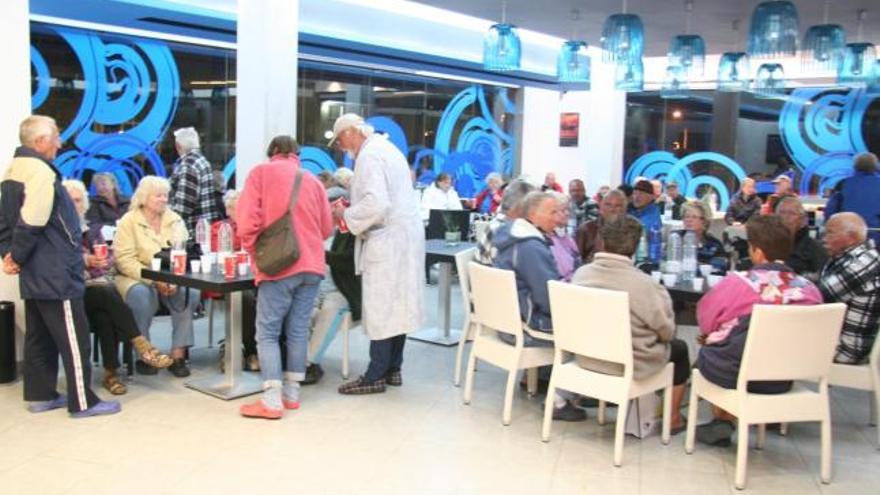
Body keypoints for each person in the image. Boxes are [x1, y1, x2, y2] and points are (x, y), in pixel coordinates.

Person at [0, 115, 119, 417]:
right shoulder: (40, 172)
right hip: (54, 271)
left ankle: (41, 396)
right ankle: (84, 402)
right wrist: (19, 255)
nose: (59, 142)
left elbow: (5, 223)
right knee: (74, 337)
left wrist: (8, 255)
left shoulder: (13, 170)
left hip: (35, 272)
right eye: (55, 137)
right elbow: (33, 221)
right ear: (40, 142)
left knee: (39, 335)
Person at [694, 215, 822, 446]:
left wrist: (712, 335)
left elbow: (706, 318)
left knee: (713, 344)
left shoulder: (740, 283)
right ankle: (726, 420)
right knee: (730, 341)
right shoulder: (811, 292)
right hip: (784, 377)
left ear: (758, 253)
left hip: (737, 373)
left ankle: (722, 419)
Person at [236, 135, 332, 418]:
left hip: (279, 266)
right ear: (296, 153)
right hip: (312, 266)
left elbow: (246, 223)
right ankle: (291, 395)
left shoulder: (261, 174)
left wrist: (256, 250)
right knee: (298, 330)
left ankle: (271, 401)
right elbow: (326, 228)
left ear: (273, 152)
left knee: (266, 332)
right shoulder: (312, 181)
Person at [329, 114, 425, 395]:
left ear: (351, 132)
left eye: (340, 139)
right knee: (399, 304)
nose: (340, 146)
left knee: (382, 306)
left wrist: (344, 215)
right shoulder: (387, 149)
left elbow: (376, 203)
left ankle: (375, 374)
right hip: (403, 237)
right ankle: (393, 368)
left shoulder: (369, 156)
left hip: (388, 239)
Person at [572, 216, 691, 434]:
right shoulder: (646, 285)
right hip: (627, 364)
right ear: (636, 247)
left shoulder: (581, 275)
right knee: (680, 348)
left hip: (585, 357)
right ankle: (672, 417)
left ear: (602, 242)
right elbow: (667, 332)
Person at [63, 179, 173, 395]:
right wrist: (85, 261)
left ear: (83, 204)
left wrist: (103, 262)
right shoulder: (58, 230)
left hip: (97, 290)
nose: (73, 204)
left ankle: (111, 374)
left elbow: (112, 259)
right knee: (108, 291)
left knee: (106, 311)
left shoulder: (91, 230)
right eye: (69, 200)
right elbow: (59, 261)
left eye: (77, 200)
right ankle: (141, 344)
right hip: (71, 292)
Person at [493, 192, 584, 421]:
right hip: (526, 326)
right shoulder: (531, 247)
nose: (558, 218)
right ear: (533, 215)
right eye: (552, 212)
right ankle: (560, 399)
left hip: (508, 321)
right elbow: (548, 298)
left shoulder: (510, 235)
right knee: (587, 330)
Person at [114, 176, 200, 377]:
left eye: (166, 195)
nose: (163, 199)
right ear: (144, 197)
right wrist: (153, 280)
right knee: (141, 296)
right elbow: (124, 260)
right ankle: (144, 354)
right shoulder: (129, 221)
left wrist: (175, 279)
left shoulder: (175, 219)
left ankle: (178, 354)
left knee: (191, 292)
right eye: (158, 196)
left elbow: (183, 252)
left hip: (170, 275)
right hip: (136, 275)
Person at [303, 185, 363, 385]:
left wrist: (321, 254)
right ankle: (300, 360)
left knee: (329, 311)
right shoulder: (319, 228)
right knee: (299, 311)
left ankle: (308, 363)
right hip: (315, 287)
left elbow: (350, 262)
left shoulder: (353, 231)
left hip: (341, 291)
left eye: (330, 207)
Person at [817, 212, 880, 365]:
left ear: (851, 237)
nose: (823, 238)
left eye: (830, 233)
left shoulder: (865, 262)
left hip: (848, 349)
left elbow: (820, 295)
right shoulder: (849, 258)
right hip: (837, 338)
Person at [210, 189, 259, 373]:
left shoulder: (256, 227)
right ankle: (248, 349)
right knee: (244, 297)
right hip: (227, 280)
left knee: (268, 295)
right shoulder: (220, 228)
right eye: (233, 208)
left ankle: (250, 348)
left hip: (254, 278)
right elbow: (219, 254)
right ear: (228, 210)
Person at [168, 126, 224, 239]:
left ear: (178, 146)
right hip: (205, 228)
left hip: (193, 231)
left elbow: (183, 207)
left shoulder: (188, 165)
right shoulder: (202, 161)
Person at [824, 152, 880, 246]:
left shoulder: (843, 184)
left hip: (848, 236)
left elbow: (830, 211)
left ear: (855, 167)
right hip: (876, 236)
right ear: (876, 167)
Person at [476, 179, 535, 265]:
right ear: (520, 206)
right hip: (497, 276)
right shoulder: (510, 230)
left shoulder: (498, 222)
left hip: (483, 273)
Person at [776, 196, 827, 281]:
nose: (785, 217)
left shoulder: (814, 249)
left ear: (802, 221)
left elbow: (820, 277)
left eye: (791, 213)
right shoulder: (767, 242)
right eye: (782, 212)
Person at [576, 189, 626, 263]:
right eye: (608, 204)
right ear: (600, 205)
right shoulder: (586, 229)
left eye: (618, 206)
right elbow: (577, 260)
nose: (612, 209)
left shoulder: (632, 229)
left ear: (624, 208)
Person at [678, 201, 727, 272]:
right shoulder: (676, 238)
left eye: (694, 217)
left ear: (704, 221)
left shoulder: (714, 244)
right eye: (686, 216)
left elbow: (720, 268)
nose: (689, 220)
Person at [548, 192, 580, 281]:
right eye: (563, 210)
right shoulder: (548, 241)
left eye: (568, 209)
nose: (567, 213)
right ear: (550, 213)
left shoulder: (566, 236)